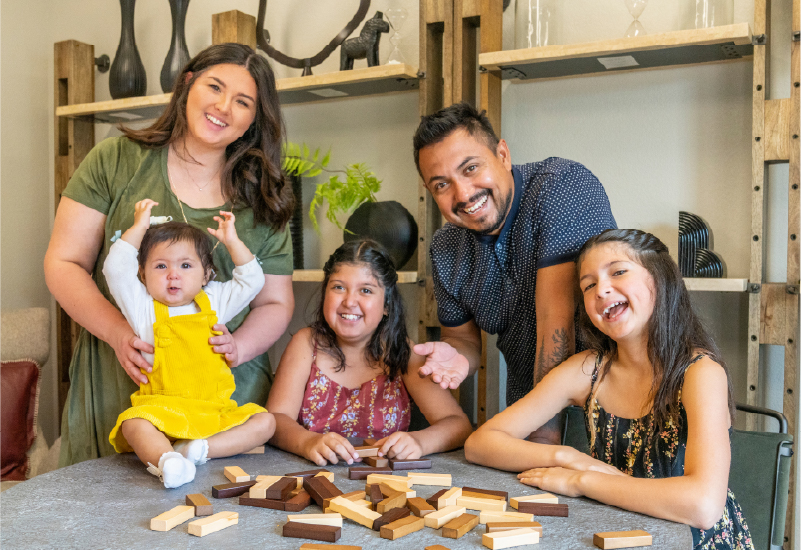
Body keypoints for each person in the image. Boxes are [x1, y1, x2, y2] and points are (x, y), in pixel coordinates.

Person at [44, 43, 295, 466]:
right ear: (187, 83)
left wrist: (237, 347)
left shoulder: (264, 196)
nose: (223, 106)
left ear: (255, 118)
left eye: (243, 101)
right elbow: (64, 263)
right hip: (119, 377)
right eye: (214, 86)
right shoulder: (116, 160)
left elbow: (275, 300)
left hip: (222, 396)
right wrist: (119, 334)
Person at [464, 229, 753, 549]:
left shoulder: (700, 373)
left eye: (618, 272)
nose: (601, 289)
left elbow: (703, 506)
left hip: (696, 541)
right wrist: (567, 457)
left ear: (660, 278)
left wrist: (581, 481)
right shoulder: (588, 370)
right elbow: (480, 443)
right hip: (617, 534)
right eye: (588, 285)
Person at [411, 102, 617, 443]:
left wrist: (540, 447)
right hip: (527, 410)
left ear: (503, 155)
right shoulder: (446, 249)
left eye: (471, 168)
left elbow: (557, 325)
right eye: (441, 185)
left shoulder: (561, 186)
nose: (463, 194)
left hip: (608, 412)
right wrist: (457, 355)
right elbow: (462, 339)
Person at [104, 200, 275, 488]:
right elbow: (115, 269)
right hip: (161, 410)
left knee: (266, 422)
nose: (173, 274)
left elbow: (252, 280)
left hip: (212, 411)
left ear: (206, 274)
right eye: (161, 266)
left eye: (185, 265)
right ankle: (167, 462)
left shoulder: (215, 301)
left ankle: (199, 450)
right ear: (143, 275)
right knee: (133, 424)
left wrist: (232, 241)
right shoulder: (142, 307)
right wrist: (139, 227)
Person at [267, 240, 473, 466]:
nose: (349, 301)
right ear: (325, 293)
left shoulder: (402, 351)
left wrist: (419, 441)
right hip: (311, 477)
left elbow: (457, 424)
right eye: (338, 287)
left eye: (366, 290)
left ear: (386, 305)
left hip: (388, 485)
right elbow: (276, 420)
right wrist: (307, 442)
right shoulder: (306, 344)